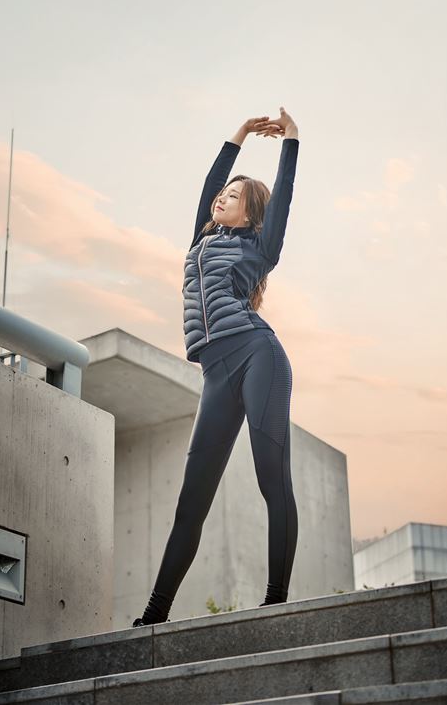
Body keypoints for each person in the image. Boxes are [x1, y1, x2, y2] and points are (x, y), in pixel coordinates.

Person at [132, 106, 300, 626]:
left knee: (271, 476)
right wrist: (242, 134)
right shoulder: (200, 243)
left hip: (256, 356)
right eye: (221, 193)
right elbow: (209, 180)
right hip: (215, 374)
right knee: (192, 499)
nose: (220, 196)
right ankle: (154, 615)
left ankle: (275, 599)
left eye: (233, 195)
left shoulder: (260, 247)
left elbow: (285, 197)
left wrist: (291, 140)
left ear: (251, 216)